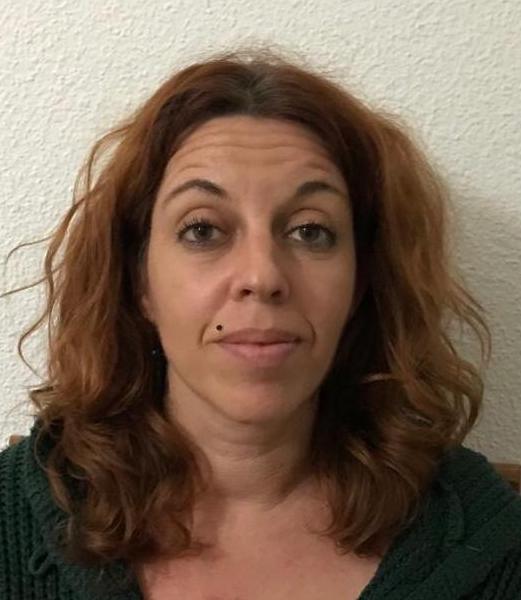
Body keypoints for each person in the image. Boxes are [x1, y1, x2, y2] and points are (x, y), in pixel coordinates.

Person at [1, 46, 520, 600]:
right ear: (139, 282)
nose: (262, 275)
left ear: (360, 282)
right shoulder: (13, 521)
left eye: (310, 231)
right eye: (203, 230)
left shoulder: (490, 547)